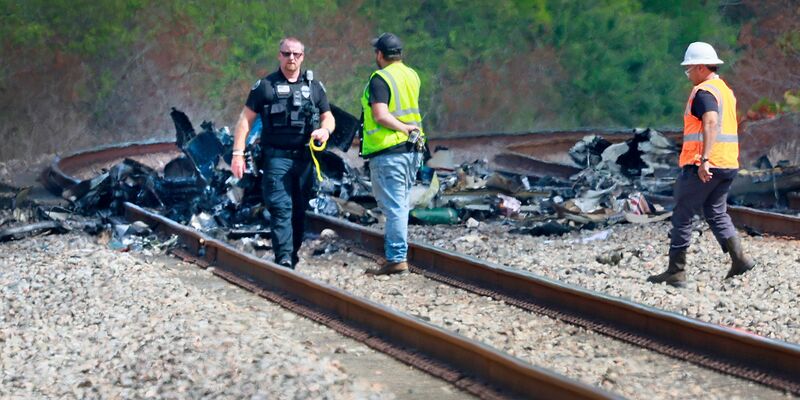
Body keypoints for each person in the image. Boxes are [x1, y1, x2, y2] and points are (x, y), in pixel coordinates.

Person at [647, 42, 755, 287]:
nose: (688, 75)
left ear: (699, 67)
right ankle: (740, 260)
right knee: (716, 212)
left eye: (689, 69)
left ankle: (676, 271)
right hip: (727, 162)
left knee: (683, 214)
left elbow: (710, 123)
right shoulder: (724, 90)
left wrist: (704, 160)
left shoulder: (704, 92)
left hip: (705, 165)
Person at [230, 37, 335, 269]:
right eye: (287, 54)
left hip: (305, 159)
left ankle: (292, 254)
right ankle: (283, 258)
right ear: (279, 55)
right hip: (276, 157)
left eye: (296, 54)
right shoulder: (265, 87)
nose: (291, 59)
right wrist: (238, 153)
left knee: (298, 210)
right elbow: (245, 121)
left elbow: (328, 116)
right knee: (280, 207)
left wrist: (325, 131)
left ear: (302, 57)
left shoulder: (314, 87)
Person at [360, 32, 424, 275]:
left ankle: (396, 258)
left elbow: (381, 115)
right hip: (412, 151)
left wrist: (403, 128)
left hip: (390, 151)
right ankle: (397, 255)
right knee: (400, 204)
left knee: (395, 207)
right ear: (400, 54)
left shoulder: (380, 78)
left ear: (380, 55)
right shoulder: (412, 75)